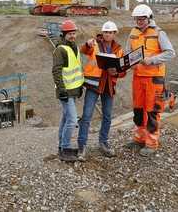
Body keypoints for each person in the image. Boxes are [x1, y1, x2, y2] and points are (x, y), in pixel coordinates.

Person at [126, 4, 175, 157]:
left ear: (149, 18)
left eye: (142, 19)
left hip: (154, 78)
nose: (139, 21)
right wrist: (129, 63)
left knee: (152, 111)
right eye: (137, 19)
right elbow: (128, 52)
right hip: (138, 78)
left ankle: (151, 143)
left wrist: (152, 60)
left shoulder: (159, 33)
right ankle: (139, 139)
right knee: (138, 110)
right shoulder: (132, 33)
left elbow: (170, 53)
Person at [77, 20, 125, 161]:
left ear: (114, 33)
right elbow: (83, 50)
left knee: (107, 116)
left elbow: (123, 71)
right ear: (102, 33)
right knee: (86, 116)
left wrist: (116, 72)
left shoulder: (119, 49)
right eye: (105, 32)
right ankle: (82, 146)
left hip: (108, 86)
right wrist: (87, 44)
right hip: (93, 85)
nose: (108, 34)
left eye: (110, 32)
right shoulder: (95, 44)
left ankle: (103, 143)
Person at [52, 19, 84, 162]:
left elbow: (76, 69)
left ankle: (61, 147)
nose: (72, 36)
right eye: (69, 33)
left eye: (73, 33)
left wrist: (79, 87)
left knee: (65, 119)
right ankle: (65, 148)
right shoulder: (60, 49)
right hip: (65, 91)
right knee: (72, 120)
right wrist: (62, 89)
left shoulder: (74, 47)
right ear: (64, 34)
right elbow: (56, 71)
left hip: (73, 90)